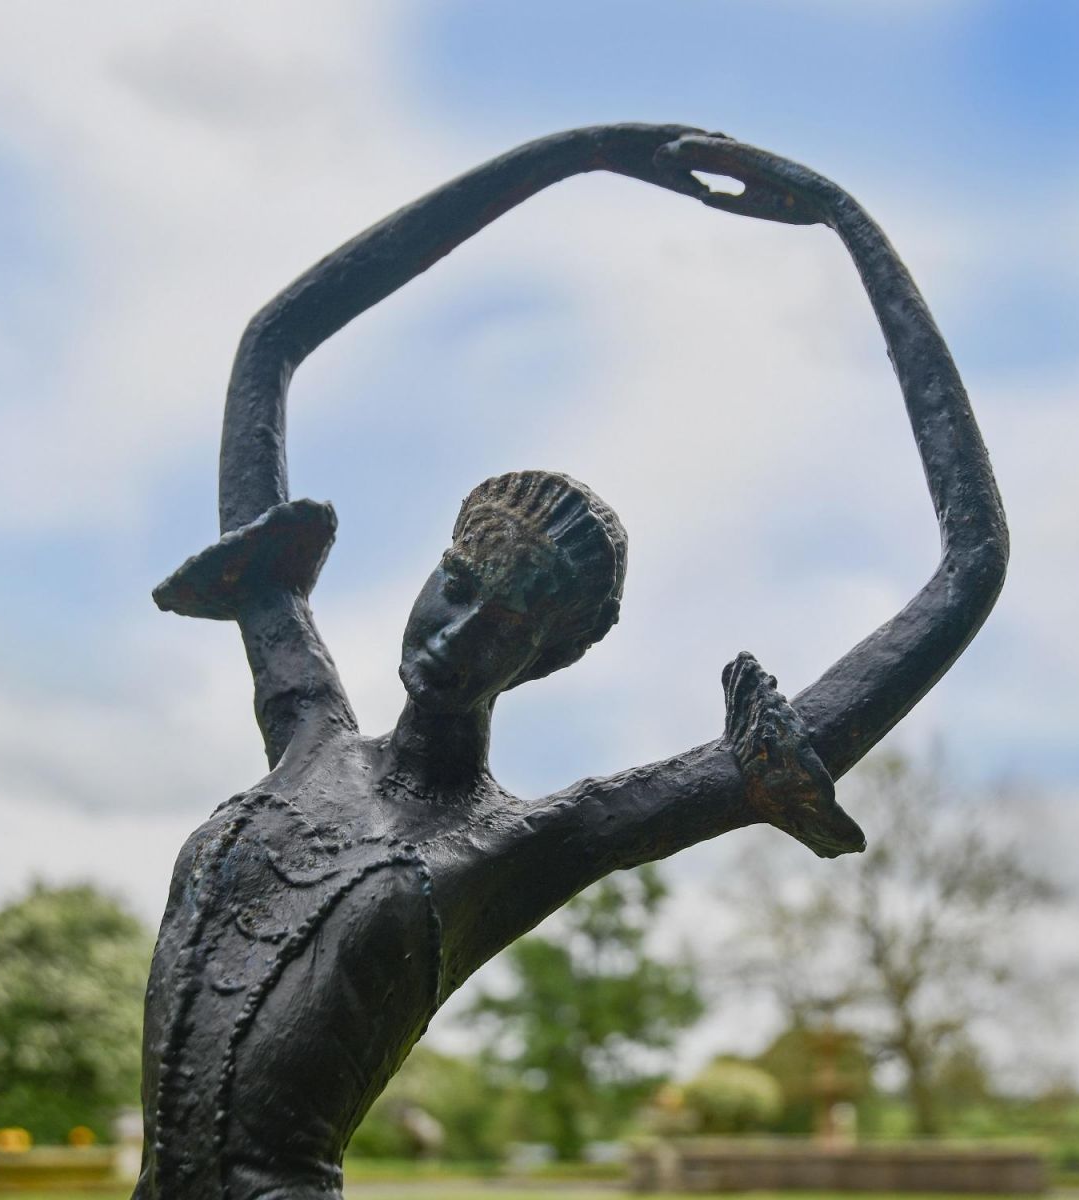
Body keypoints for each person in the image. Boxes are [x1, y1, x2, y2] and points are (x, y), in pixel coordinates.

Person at [135, 126, 1006, 1200]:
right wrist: (584, 155)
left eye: (508, 624)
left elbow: (970, 565)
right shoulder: (304, 720)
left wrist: (849, 227)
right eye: (460, 586)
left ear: (551, 658)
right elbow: (271, 346)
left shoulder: (527, 843)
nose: (458, 635)